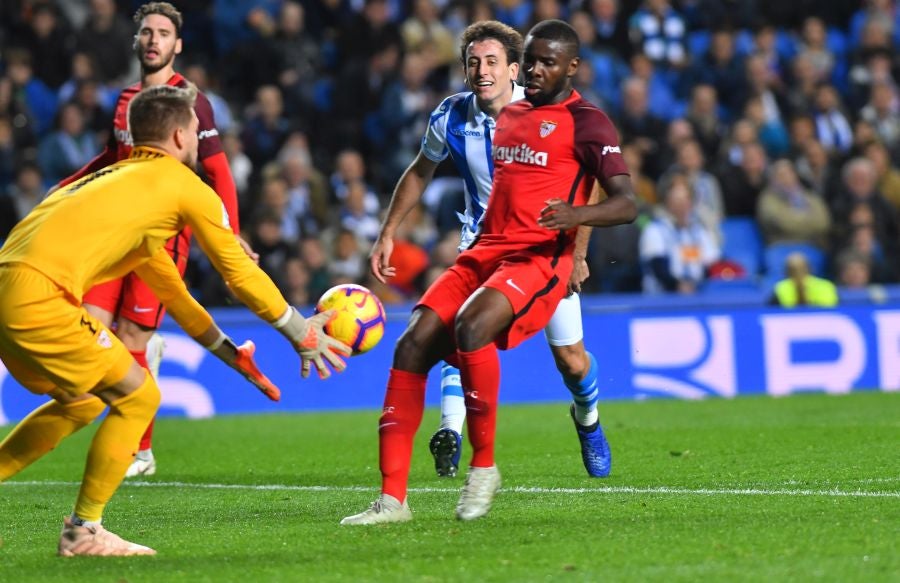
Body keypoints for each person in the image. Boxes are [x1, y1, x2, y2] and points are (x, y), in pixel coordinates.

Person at [0, 84, 350, 557]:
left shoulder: (120, 188)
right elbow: (239, 272)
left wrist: (230, 354)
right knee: (139, 395)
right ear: (182, 136)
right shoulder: (183, 186)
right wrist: (299, 329)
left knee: (81, 401)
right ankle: (84, 531)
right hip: (40, 297)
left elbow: (176, 297)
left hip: (9, 289)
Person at [344, 19, 637, 525]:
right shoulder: (471, 117)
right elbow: (425, 170)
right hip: (484, 249)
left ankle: (585, 420)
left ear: (514, 69)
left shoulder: (578, 118)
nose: (484, 71)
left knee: (569, 360)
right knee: (416, 341)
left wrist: (577, 243)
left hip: (542, 255)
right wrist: (390, 230)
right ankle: (395, 498)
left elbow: (599, 189)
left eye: (495, 62)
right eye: (474, 63)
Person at [53, 2, 247, 478]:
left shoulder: (191, 101)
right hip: (115, 234)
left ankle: (141, 452)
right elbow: (110, 158)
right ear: (135, 41)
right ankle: (143, 363)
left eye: (163, 33)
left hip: (163, 237)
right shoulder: (125, 100)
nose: (153, 39)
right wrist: (65, 188)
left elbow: (218, 171)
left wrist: (231, 237)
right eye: (146, 32)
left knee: (130, 337)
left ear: (177, 44)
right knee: (91, 330)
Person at [770, 252, 838, 307]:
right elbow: (772, 311)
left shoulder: (825, 286)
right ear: (787, 272)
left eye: (801, 268)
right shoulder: (781, 288)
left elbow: (833, 311)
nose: (798, 272)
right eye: (793, 270)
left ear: (809, 268)